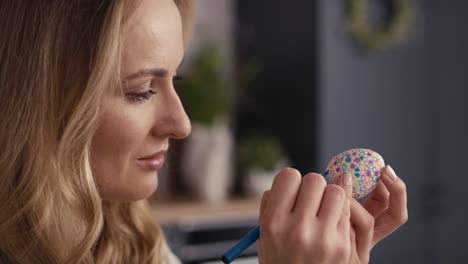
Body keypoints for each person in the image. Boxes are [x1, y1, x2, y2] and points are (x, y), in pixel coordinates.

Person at [0, 0, 407, 263]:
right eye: (140, 91)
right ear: (41, 102)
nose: (182, 124)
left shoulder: (128, 239)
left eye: (174, 80)